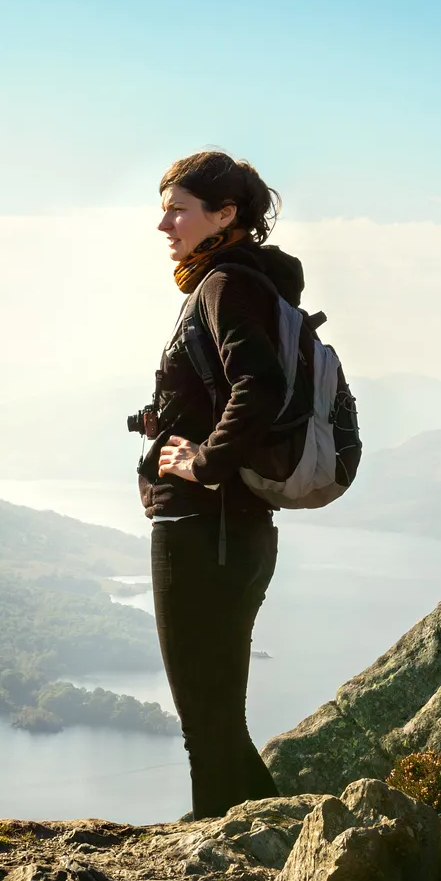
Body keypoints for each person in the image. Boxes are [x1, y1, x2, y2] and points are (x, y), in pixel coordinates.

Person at [140, 149, 305, 820]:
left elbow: (258, 386)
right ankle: (279, 847)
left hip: (202, 530)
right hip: (235, 531)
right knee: (217, 716)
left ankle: (217, 854)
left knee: (203, 719)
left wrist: (202, 462)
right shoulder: (245, 283)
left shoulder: (224, 286)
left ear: (224, 215)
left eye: (178, 210)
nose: (165, 226)